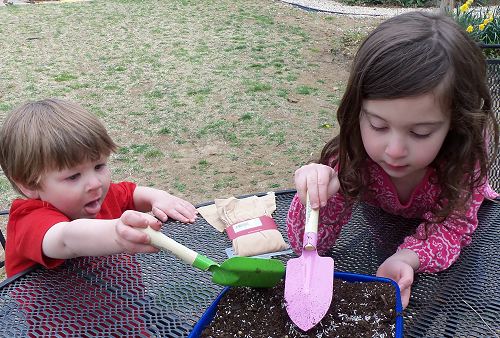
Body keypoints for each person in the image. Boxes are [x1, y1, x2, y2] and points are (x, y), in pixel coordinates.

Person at [286, 11, 499, 309]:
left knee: (461, 296)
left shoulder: (464, 161)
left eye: (421, 132)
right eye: (378, 126)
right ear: (357, 112)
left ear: (454, 125)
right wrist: (320, 198)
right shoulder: (353, 157)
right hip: (383, 223)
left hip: (457, 220)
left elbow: (453, 228)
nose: (395, 150)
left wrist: (406, 257)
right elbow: (306, 248)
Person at [0, 98, 198, 277]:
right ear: (29, 184)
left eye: (99, 166)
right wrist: (116, 234)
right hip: (64, 316)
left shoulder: (98, 194)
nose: (95, 183)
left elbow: (130, 194)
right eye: (73, 176)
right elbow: (66, 239)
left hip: (127, 304)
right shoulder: (28, 220)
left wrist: (158, 197)